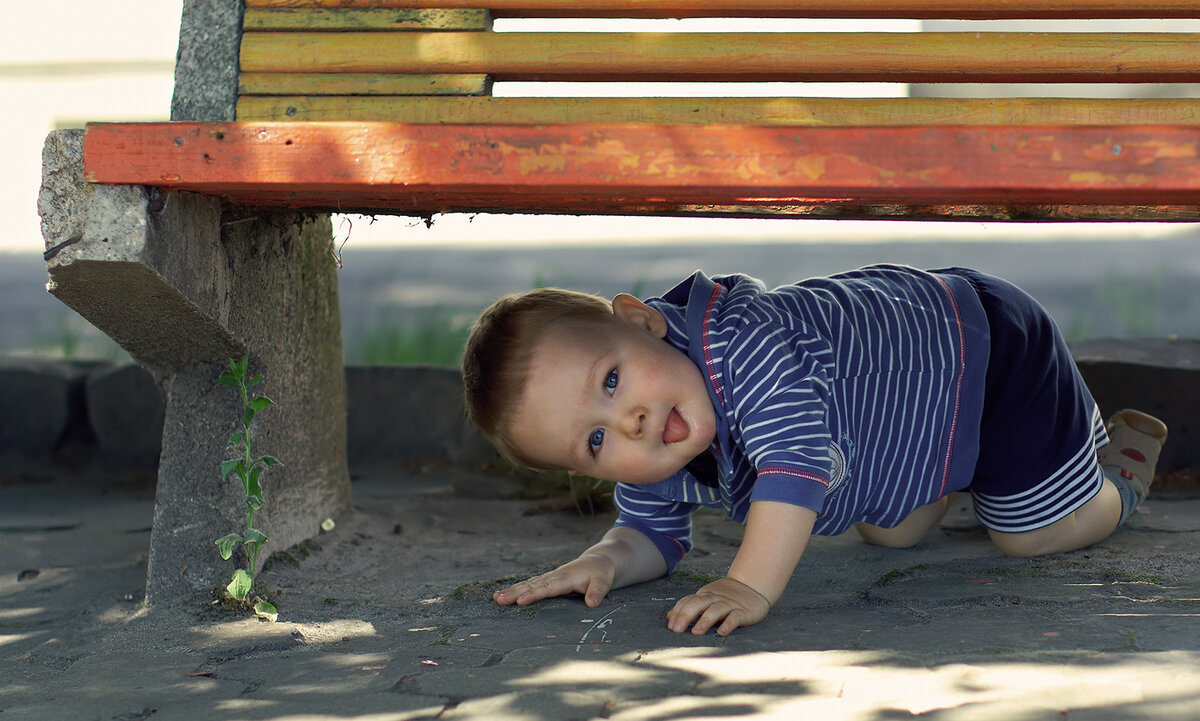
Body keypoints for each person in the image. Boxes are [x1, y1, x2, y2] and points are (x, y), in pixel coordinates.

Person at [461, 265, 1168, 637]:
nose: (632, 421)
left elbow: (794, 468)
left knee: (1029, 534)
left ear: (643, 321)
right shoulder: (659, 432)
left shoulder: (746, 344)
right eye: (595, 440)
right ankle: (954, 475)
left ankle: (1113, 474)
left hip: (981, 351)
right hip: (905, 416)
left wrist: (748, 584)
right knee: (890, 531)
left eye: (611, 380)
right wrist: (604, 561)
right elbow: (649, 531)